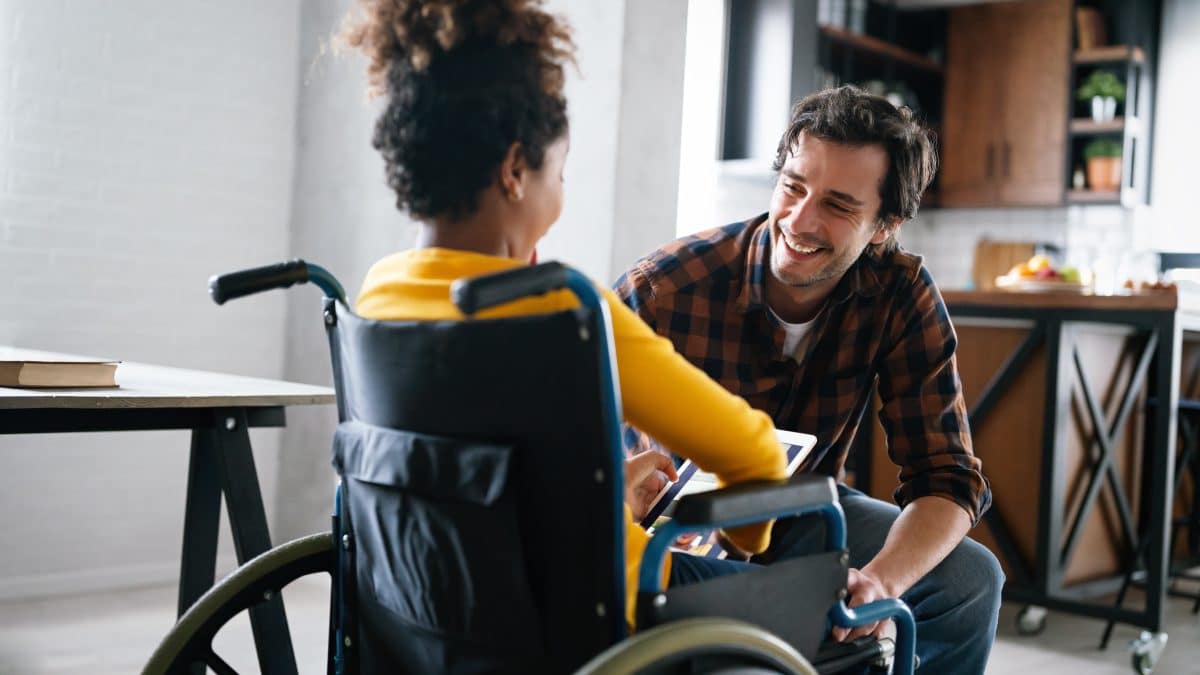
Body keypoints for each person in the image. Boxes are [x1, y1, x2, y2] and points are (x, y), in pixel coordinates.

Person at [338, 0, 786, 631]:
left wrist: (600, 495)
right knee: (855, 618)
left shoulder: (378, 297)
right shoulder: (563, 309)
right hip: (604, 623)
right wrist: (745, 546)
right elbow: (756, 459)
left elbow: (478, 493)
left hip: (444, 622)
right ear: (516, 170)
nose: (560, 198)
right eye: (562, 173)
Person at [615, 85, 1003, 673]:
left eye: (839, 205)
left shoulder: (901, 294)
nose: (799, 219)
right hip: (680, 528)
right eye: (793, 187)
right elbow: (565, 448)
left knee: (973, 579)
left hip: (804, 517)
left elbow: (947, 480)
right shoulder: (666, 287)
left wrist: (882, 579)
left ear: (883, 226)